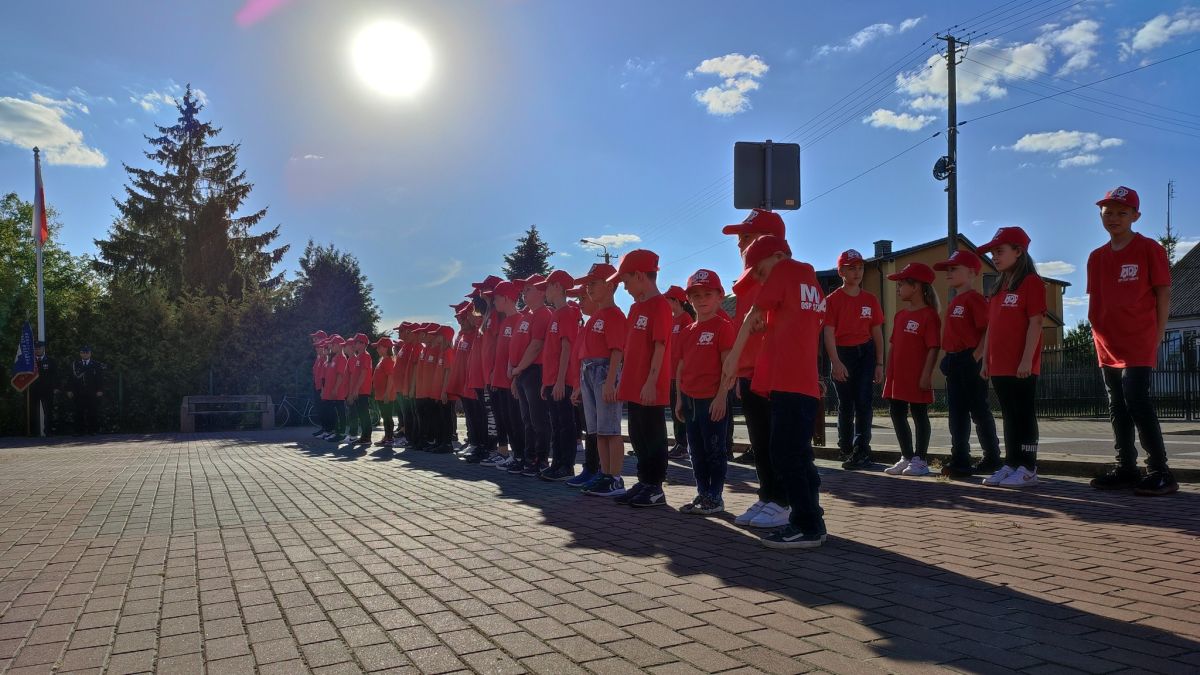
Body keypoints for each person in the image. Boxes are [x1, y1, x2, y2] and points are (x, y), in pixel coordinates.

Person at [722, 236, 827, 549]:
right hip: (804, 382)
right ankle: (813, 518)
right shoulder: (811, 282)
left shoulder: (785, 270)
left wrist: (733, 358)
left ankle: (805, 525)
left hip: (788, 382)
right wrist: (768, 327)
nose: (760, 279)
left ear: (779, 256)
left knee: (785, 454)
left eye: (760, 271)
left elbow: (751, 314)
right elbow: (796, 324)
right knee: (800, 454)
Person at [1086, 187, 1178, 496]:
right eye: (1108, 212)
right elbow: (1096, 298)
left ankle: (1160, 471)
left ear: (1135, 216)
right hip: (1106, 341)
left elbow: (1163, 292)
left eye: (1122, 213)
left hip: (1139, 336)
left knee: (1136, 399)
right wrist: (1095, 329)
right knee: (1117, 404)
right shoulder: (1096, 257)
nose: (1114, 218)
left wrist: (1159, 332)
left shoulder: (1149, 249)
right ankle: (1126, 467)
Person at [723, 209, 791, 529]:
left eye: (746, 237)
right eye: (740, 239)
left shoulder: (780, 276)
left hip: (773, 373)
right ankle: (767, 495)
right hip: (750, 372)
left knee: (777, 442)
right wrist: (740, 370)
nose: (740, 244)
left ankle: (783, 501)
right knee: (759, 442)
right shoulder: (747, 280)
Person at [978, 227, 1046, 488]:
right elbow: (991, 327)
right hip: (999, 364)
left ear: (1018, 251)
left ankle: (1028, 467)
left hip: (1021, 364)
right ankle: (1011, 463)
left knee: (1023, 413)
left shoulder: (1031, 283)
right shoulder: (997, 287)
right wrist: (986, 360)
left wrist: (1027, 359)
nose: (995, 257)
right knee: (1008, 415)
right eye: (992, 253)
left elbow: (1036, 322)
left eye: (1000, 251)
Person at [610, 249, 674, 508]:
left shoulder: (660, 305)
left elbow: (660, 346)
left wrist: (651, 381)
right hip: (633, 383)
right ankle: (644, 481)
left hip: (649, 385)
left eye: (625, 281)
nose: (624, 288)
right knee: (637, 434)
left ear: (639, 276)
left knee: (652, 434)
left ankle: (655, 485)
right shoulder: (636, 307)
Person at [934, 250, 1002, 477]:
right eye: (948, 269)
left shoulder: (974, 299)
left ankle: (992, 457)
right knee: (957, 413)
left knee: (979, 410)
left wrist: (976, 356)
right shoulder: (955, 300)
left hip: (969, 358)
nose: (949, 273)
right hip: (954, 359)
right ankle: (960, 459)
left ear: (972, 272)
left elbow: (987, 329)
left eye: (954, 268)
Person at [675, 269, 735, 515]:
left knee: (715, 450)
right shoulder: (687, 331)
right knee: (696, 451)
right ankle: (702, 493)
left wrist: (721, 397)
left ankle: (715, 496)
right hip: (689, 399)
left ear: (720, 296)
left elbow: (728, 366)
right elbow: (681, 366)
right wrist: (679, 399)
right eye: (696, 295)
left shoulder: (723, 327)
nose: (702, 300)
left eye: (708, 294)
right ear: (689, 299)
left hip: (712, 400)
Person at [822, 249, 884, 470]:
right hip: (843, 354)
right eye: (851, 268)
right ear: (841, 272)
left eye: (860, 268)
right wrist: (836, 362)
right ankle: (846, 447)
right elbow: (828, 333)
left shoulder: (870, 299)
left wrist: (879, 363)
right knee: (846, 403)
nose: (857, 272)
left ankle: (862, 450)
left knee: (864, 402)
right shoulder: (832, 301)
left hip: (865, 353)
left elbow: (876, 332)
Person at [573, 263, 628, 497]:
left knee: (611, 429)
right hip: (588, 370)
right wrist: (579, 384)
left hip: (604, 371)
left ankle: (615, 477)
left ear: (610, 285)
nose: (588, 288)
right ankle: (604, 474)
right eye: (588, 284)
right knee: (597, 431)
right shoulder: (595, 316)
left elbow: (617, 350)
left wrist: (610, 381)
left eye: (593, 283)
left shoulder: (614, 314)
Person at [881, 263, 941, 477]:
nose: (898, 288)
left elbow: (934, 347)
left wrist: (926, 374)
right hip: (897, 376)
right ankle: (906, 456)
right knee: (896, 413)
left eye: (901, 284)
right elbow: (894, 345)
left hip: (917, 376)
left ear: (915, 286)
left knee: (918, 413)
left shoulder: (929, 315)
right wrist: (888, 371)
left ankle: (920, 460)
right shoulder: (900, 315)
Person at [537, 270, 582, 480]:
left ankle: (567, 466)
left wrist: (561, 381)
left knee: (565, 424)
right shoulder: (555, 314)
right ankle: (556, 463)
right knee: (556, 424)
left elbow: (566, 348)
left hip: (562, 381)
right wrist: (546, 382)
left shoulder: (567, 313)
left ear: (557, 287)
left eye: (547, 286)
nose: (545, 291)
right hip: (552, 380)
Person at [510, 274, 554, 476]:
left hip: (535, 371)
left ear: (541, 292)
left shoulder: (543, 314)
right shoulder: (526, 315)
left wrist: (518, 368)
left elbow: (536, 345)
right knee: (527, 419)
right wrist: (516, 375)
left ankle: (540, 459)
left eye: (528, 289)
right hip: (522, 373)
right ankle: (528, 458)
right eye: (523, 290)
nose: (523, 293)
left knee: (538, 419)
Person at [565, 284, 603, 488]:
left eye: (583, 298)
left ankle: (599, 470)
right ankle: (590, 468)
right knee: (590, 429)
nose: (580, 303)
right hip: (582, 384)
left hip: (595, 385)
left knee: (597, 430)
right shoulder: (588, 325)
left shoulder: (603, 321)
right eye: (578, 299)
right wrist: (577, 386)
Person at [489, 281, 527, 471]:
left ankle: (521, 456)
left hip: (513, 381)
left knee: (516, 420)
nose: (494, 302)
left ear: (506, 298)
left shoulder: (521, 320)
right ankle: (515, 455)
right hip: (501, 381)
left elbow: (521, 352)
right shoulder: (504, 321)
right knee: (507, 419)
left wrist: (515, 378)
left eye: (496, 298)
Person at [665, 285, 692, 460]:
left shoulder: (686, 319)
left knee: (681, 410)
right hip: (671, 373)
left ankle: (684, 444)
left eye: (667, 300)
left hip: (680, 374)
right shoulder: (671, 320)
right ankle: (679, 442)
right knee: (674, 410)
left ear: (675, 301)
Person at [68, 345, 104, 435]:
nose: (85, 354)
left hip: (92, 391)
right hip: (78, 391)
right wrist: (69, 390)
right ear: (80, 354)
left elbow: (100, 378)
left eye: (87, 352)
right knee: (78, 411)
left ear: (90, 353)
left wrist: (100, 390)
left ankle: (93, 430)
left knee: (92, 411)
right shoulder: (75, 364)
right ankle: (79, 431)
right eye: (83, 352)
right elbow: (71, 378)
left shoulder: (96, 364)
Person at [347, 334, 374, 447]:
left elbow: (363, 374)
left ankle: (366, 437)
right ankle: (364, 436)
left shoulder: (365, 356)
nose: (354, 344)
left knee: (364, 414)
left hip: (363, 390)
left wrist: (356, 389)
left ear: (363, 344)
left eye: (356, 342)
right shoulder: (359, 356)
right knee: (361, 414)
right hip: (359, 391)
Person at [372, 336, 396, 449]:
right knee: (385, 416)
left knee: (387, 416)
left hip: (386, 395)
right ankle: (387, 436)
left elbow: (391, 377)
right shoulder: (382, 360)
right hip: (380, 394)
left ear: (386, 348)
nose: (377, 349)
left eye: (379, 347)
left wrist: (387, 393)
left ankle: (389, 438)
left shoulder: (388, 361)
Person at [29, 340, 57, 436]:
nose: (37, 350)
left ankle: (48, 431)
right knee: (33, 411)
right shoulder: (30, 362)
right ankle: (34, 432)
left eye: (39, 348)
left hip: (47, 390)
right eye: (35, 348)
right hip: (33, 390)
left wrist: (56, 387)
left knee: (48, 411)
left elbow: (55, 375)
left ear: (43, 348)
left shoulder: (51, 361)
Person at [309, 331, 329, 437]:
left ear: (322, 339)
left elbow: (325, 373)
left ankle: (327, 429)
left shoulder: (325, 354)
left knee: (324, 408)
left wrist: (323, 387)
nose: (314, 340)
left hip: (322, 386)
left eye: (316, 338)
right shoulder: (318, 355)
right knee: (319, 408)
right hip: (317, 385)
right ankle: (324, 428)